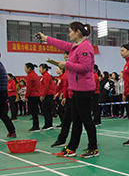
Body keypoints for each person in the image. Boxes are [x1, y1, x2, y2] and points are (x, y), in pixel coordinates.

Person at [37, 22, 98, 158]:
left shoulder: (85, 47)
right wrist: (46, 38)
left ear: (78, 32)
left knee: (86, 119)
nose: (69, 34)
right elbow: (62, 44)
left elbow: (86, 67)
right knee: (76, 120)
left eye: (70, 31)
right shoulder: (76, 46)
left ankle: (93, 148)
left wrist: (67, 65)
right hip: (76, 89)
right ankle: (71, 148)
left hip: (84, 89)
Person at [0, 57, 17, 138]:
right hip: (3, 92)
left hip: (0, 92)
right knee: (2, 114)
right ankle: (12, 131)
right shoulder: (1, 65)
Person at [24, 62, 41, 132]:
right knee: (35, 111)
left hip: (32, 95)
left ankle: (35, 126)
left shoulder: (29, 76)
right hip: (36, 95)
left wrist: (26, 96)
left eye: (25, 68)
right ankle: (36, 125)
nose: (24, 69)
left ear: (29, 68)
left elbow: (29, 87)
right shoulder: (36, 75)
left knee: (33, 111)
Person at [38, 63, 55, 130]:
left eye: (40, 68)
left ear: (44, 69)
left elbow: (46, 86)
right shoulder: (43, 76)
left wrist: (43, 95)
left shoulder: (46, 76)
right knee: (45, 109)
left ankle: (48, 124)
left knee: (46, 109)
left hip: (48, 95)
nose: (39, 69)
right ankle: (48, 123)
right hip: (46, 94)